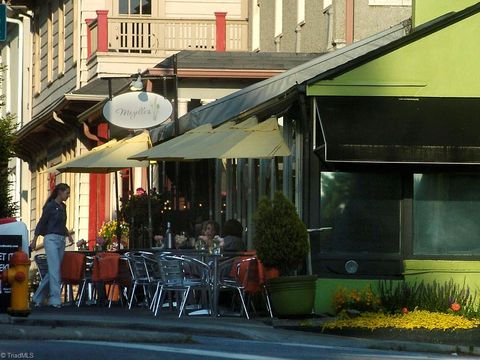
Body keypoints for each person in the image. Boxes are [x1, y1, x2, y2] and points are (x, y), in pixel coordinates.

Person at [30, 183, 74, 308]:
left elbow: (61, 223)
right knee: (55, 270)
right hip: (50, 239)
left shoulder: (63, 207)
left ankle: (38, 297)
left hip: (61, 240)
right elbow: (42, 222)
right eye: (67, 193)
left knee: (52, 271)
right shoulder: (49, 207)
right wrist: (34, 239)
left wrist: (68, 235)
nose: (68, 195)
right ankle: (55, 299)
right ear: (60, 192)